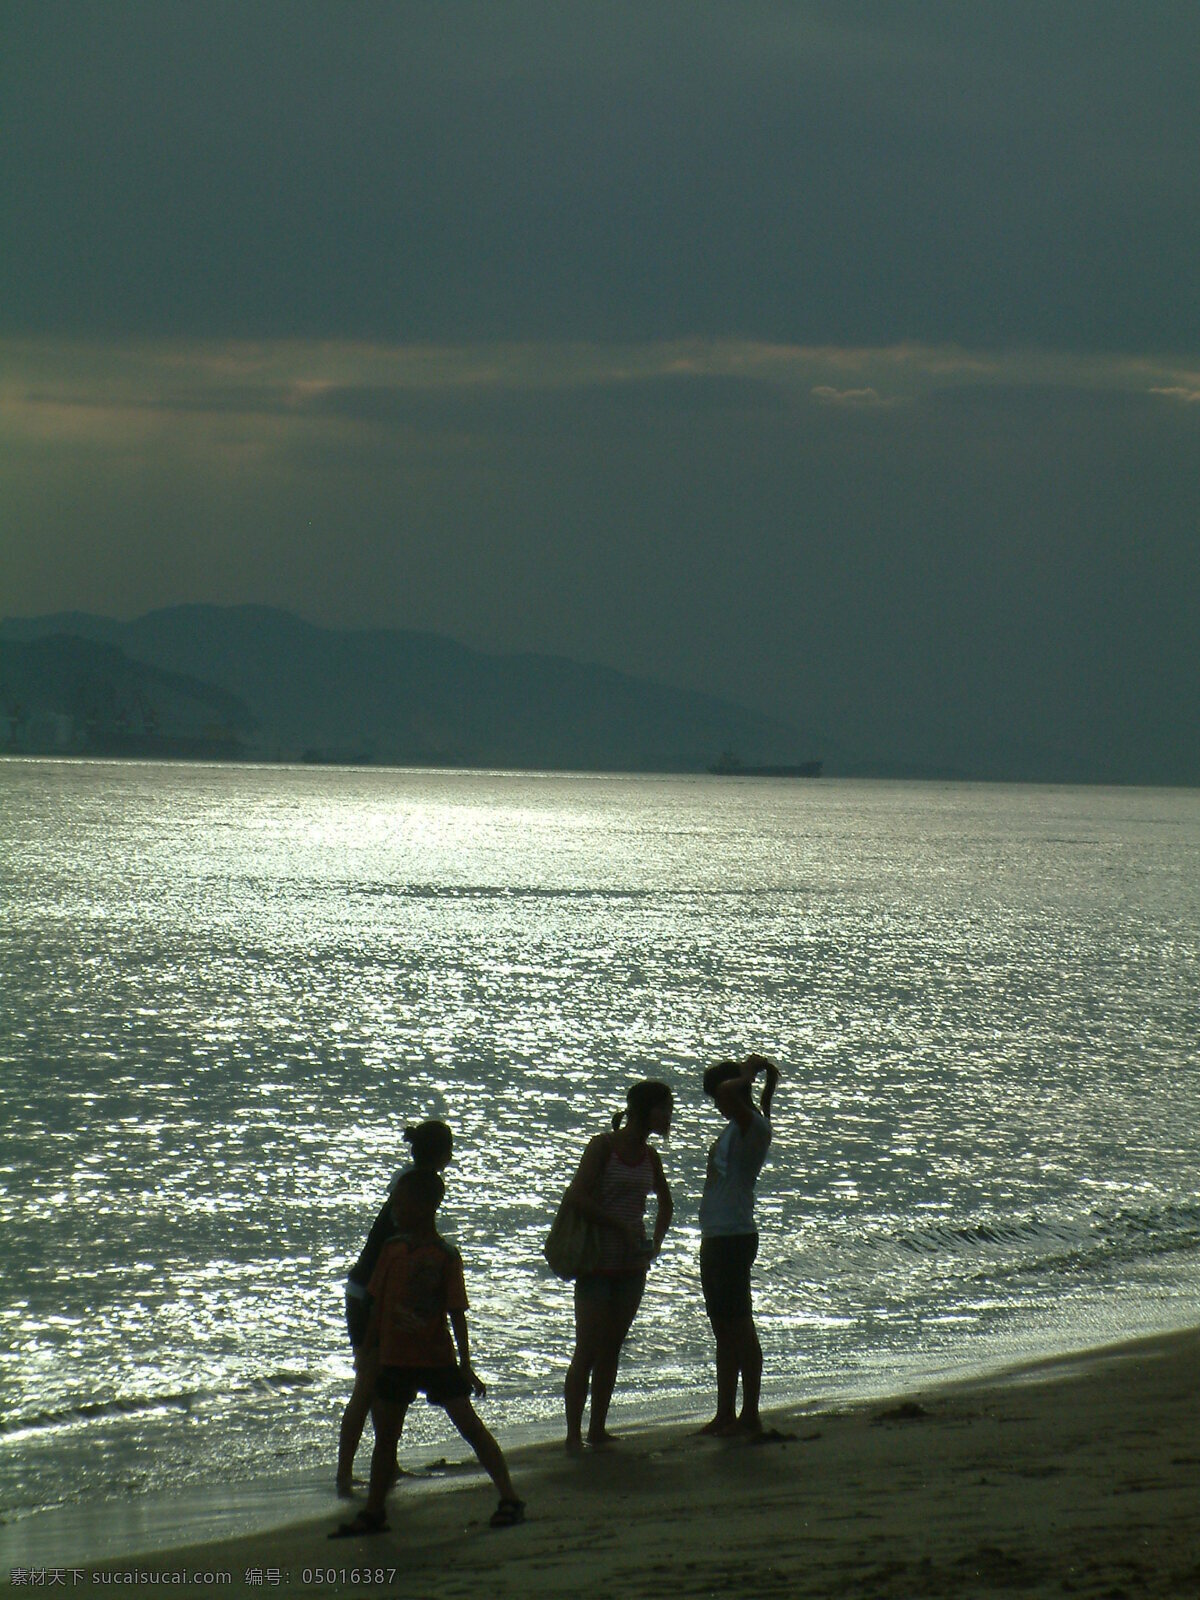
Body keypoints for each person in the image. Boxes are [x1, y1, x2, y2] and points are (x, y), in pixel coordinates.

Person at [331, 1168, 524, 1537]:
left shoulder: (445, 1255)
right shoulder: (391, 1251)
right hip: (393, 1359)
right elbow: (376, 1303)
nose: (395, 1210)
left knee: (470, 1427)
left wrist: (466, 1364)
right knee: (386, 1438)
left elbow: (457, 1312)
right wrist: (369, 1350)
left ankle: (510, 1498)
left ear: (424, 1206)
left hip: (436, 1359)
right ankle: (374, 1512)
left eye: (401, 1203)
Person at [336, 1120, 454, 1494]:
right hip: (369, 1295)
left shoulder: (408, 1186)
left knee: (376, 1387)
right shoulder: (417, 1192)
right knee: (368, 1385)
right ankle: (343, 1476)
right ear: (442, 1154)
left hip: (364, 1292)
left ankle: (382, 1463)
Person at [562, 1080, 674, 1453]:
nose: (669, 1115)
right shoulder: (603, 1147)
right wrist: (620, 1226)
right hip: (596, 1261)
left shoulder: (650, 1156)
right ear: (643, 1111)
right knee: (587, 1348)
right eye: (663, 1108)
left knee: (612, 1346)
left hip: (631, 1266)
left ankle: (597, 1429)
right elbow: (576, 1196)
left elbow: (666, 1204)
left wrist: (653, 1244)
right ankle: (573, 1434)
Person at [697, 1053, 779, 1437]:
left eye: (718, 1096)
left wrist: (747, 1072)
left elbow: (731, 1091)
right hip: (717, 1235)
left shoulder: (754, 1125)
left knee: (740, 1325)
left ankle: (750, 1412)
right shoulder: (736, 1127)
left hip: (734, 1236)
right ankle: (725, 1413)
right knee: (723, 1327)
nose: (718, 1103)